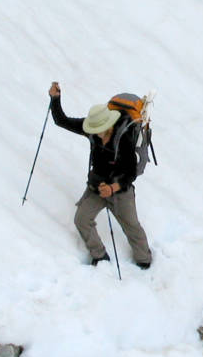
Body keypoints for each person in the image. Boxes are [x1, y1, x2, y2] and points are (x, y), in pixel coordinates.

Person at [48, 82, 152, 269]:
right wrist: (55, 99)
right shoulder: (92, 129)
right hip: (96, 186)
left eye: (97, 131)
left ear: (109, 125)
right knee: (81, 219)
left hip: (120, 190)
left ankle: (144, 259)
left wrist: (113, 188)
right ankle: (99, 256)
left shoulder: (125, 138)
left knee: (131, 226)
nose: (93, 134)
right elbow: (61, 121)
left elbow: (130, 173)